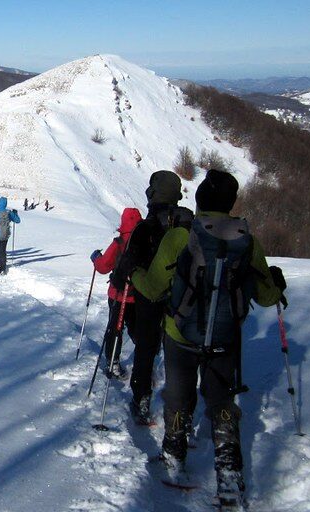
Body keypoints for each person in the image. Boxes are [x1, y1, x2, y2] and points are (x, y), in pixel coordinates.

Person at [130, 170, 288, 508]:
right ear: (231, 204)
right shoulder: (248, 241)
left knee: (178, 393)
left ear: (198, 201)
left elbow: (154, 288)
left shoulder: (178, 237)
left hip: (180, 333)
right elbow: (266, 296)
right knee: (220, 400)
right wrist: (277, 284)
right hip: (225, 336)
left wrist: (134, 272)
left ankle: (174, 455)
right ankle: (229, 472)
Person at [122, 170, 193, 425]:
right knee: (178, 352)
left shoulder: (146, 227)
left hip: (149, 296)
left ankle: (142, 396)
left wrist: (133, 272)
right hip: (184, 299)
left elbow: (130, 261)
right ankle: (181, 409)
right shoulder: (189, 223)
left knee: (146, 347)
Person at [90, 207, 143, 379]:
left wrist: (95, 258)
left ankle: (113, 361)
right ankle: (144, 360)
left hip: (118, 294)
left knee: (115, 328)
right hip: (138, 295)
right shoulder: (147, 241)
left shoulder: (119, 242)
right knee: (137, 329)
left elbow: (103, 266)